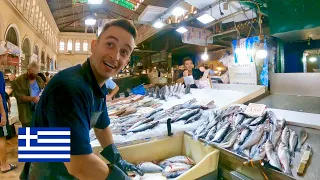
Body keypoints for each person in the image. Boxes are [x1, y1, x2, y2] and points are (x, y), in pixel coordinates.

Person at [24, 19, 143, 179]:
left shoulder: (96, 85)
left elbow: (102, 126)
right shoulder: (69, 85)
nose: (115, 56)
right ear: (94, 46)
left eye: (124, 52)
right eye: (110, 44)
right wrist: (120, 178)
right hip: (45, 170)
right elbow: (78, 165)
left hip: (63, 167)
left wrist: (116, 158)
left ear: (126, 61)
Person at [12, 62, 45, 127]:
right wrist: (31, 98)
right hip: (26, 112)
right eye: (32, 73)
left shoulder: (39, 79)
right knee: (28, 131)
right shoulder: (19, 80)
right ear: (28, 70)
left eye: (36, 74)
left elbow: (42, 90)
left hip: (38, 111)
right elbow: (18, 96)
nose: (34, 76)